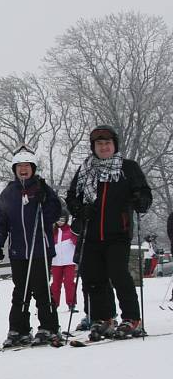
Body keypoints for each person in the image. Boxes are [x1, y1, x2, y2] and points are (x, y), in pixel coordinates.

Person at [66, 125, 152, 340]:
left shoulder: (128, 168)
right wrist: (78, 208)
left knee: (119, 274)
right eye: (99, 144)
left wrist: (140, 200)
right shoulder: (86, 169)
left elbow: (144, 193)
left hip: (118, 233)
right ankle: (103, 319)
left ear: (114, 145)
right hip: (91, 234)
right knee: (94, 278)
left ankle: (132, 319)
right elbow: (71, 196)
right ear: (93, 147)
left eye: (107, 143)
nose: (103, 147)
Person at [0, 146, 62, 347]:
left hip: (40, 249)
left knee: (41, 289)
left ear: (33, 168)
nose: (23, 170)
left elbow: (54, 214)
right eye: (19, 167)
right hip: (18, 251)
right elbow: (2, 221)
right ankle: (19, 328)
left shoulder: (41, 188)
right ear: (14, 169)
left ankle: (49, 326)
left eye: (26, 166)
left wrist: (45, 200)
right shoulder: (9, 193)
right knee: (20, 290)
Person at [50, 212, 78, 311]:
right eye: (58, 220)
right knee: (56, 284)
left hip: (69, 261)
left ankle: (71, 303)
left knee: (69, 283)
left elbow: (76, 243)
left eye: (62, 220)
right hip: (56, 262)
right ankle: (54, 303)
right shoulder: (52, 231)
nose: (60, 222)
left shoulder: (70, 230)